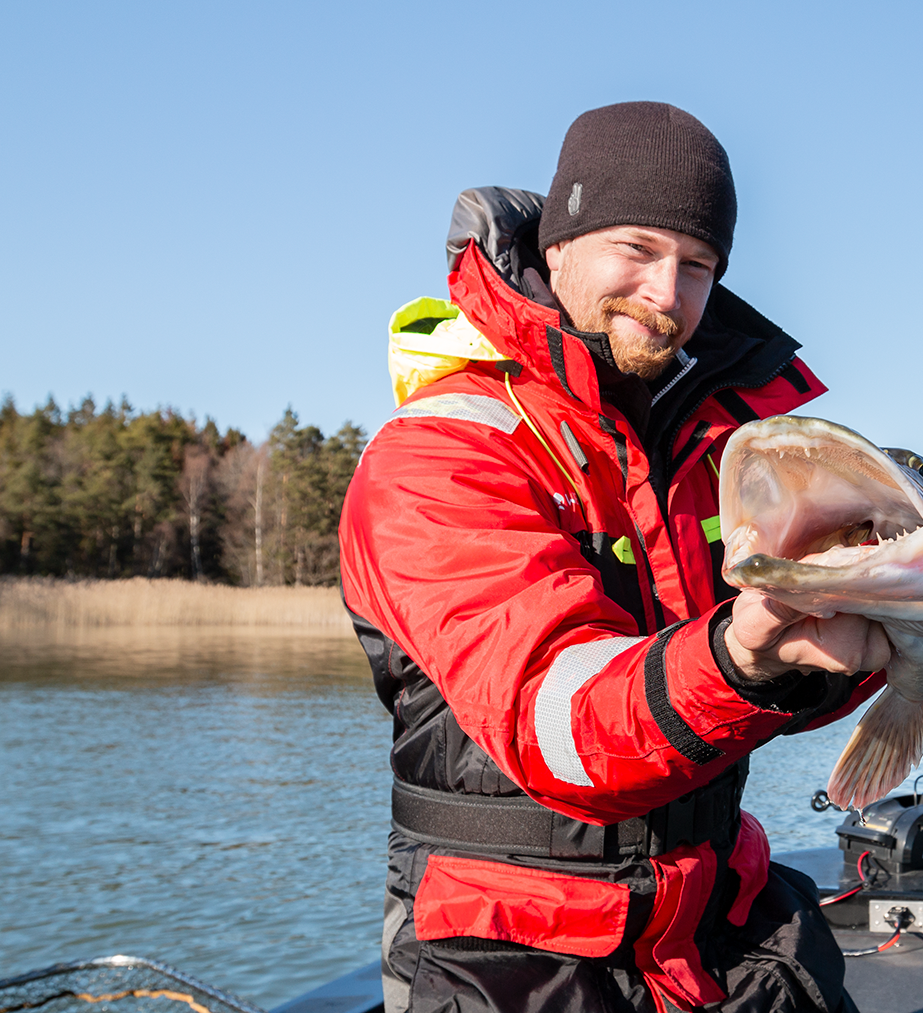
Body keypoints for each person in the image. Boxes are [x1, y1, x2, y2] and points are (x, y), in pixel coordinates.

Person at [339, 101, 892, 1013]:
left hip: (714, 928)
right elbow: (557, 721)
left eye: (698, 265)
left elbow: (766, 696)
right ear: (560, 246)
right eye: (637, 248)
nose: (668, 294)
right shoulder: (440, 454)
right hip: (507, 953)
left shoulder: (720, 446)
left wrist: (874, 636)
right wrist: (740, 655)